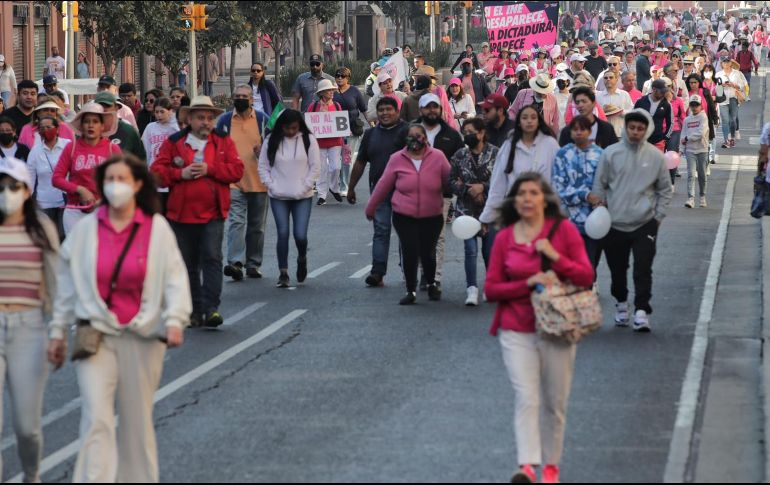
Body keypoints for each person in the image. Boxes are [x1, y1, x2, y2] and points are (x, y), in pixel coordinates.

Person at [47, 154, 191, 483]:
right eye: (109, 180)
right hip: (96, 335)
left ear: (138, 184)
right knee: (96, 418)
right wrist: (57, 331)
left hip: (143, 338)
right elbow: (66, 285)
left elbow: (174, 276)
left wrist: (175, 318)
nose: (115, 187)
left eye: (122, 180)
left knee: (135, 422)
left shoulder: (156, 229)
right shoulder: (86, 230)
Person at [485, 172, 593, 485]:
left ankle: (550, 467)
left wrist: (554, 257)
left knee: (554, 403)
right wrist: (527, 284)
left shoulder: (564, 231)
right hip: (516, 328)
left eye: (534, 193)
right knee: (527, 397)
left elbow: (585, 277)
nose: (528, 199)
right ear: (515, 201)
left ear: (545, 199)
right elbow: (491, 289)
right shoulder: (505, 237)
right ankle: (528, 466)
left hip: (557, 327)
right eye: (522, 194)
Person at [151, 96, 244, 328]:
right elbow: (156, 171)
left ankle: (211, 307)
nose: (205, 122)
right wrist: (178, 175)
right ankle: (193, 309)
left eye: (209, 118)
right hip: (181, 214)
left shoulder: (224, 141)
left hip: (213, 212)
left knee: (212, 258)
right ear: (189, 119)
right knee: (187, 264)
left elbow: (236, 170)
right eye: (200, 117)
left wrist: (210, 169)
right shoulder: (174, 142)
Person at [0, 156, 59, 484]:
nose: (6, 192)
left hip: (29, 329)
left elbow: (56, 284)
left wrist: (58, 332)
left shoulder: (41, 228)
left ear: (26, 190)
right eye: (1, 187)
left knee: (26, 427)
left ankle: (31, 474)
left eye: (13, 186)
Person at [591, 108, 672, 332]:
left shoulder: (655, 156)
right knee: (618, 270)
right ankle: (621, 304)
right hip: (614, 223)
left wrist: (658, 216)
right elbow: (600, 184)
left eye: (640, 128)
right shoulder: (611, 153)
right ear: (626, 128)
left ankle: (642, 310)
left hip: (645, 222)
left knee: (643, 268)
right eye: (632, 128)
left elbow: (664, 189)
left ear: (647, 130)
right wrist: (599, 204)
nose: (636, 132)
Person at [364, 123, 451, 305]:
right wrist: (371, 207)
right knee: (410, 251)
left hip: (432, 214)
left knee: (428, 252)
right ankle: (410, 290)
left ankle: (431, 283)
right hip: (404, 215)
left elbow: (448, 180)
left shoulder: (438, 157)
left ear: (425, 138)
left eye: (419, 135)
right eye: (411, 136)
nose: (416, 140)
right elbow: (383, 184)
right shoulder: (397, 159)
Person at [347, 97, 408, 287]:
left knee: (406, 232)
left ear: (397, 112)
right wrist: (351, 187)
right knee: (381, 230)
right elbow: (360, 162)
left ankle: (409, 270)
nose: (384, 113)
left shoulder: (408, 132)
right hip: (379, 190)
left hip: (405, 190)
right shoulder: (370, 134)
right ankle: (377, 272)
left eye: (389, 109)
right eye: (381, 110)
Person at [257, 109, 320, 288]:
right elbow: (263, 166)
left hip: (303, 195)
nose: (290, 132)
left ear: (299, 126)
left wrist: (305, 187)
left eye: (294, 128)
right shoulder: (271, 141)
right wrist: (271, 185)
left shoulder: (309, 140)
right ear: (280, 127)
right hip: (278, 195)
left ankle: (302, 257)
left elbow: (315, 168)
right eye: (287, 128)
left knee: (300, 235)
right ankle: (283, 272)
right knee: (282, 233)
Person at [216, 85, 270, 281]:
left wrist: (263, 152)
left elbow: (274, 149)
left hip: (259, 182)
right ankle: (235, 262)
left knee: (257, 226)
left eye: (244, 96)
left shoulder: (263, 120)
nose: (240, 99)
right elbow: (216, 146)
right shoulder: (224, 121)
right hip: (233, 182)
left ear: (251, 100)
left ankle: (253, 264)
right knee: (236, 222)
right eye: (237, 96)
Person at [479, 106, 560, 230]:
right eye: (525, 117)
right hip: (516, 211)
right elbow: (498, 185)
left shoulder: (551, 144)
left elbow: (558, 180)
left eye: (533, 117)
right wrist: (487, 216)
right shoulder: (508, 146)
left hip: (545, 211)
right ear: (518, 122)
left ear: (539, 121)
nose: (529, 121)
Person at [415, 93, 464, 292]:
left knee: (438, 236)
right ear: (421, 110)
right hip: (415, 192)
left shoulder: (451, 135)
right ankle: (422, 273)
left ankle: (435, 277)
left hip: (441, 194)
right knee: (419, 236)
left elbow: (460, 162)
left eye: (435, 107)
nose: (432, 110)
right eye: (428, 107)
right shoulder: (411, 131)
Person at [450, 118, 498, 306]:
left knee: (489, 251)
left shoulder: (496, 153)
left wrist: (482, 188)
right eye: (465, 131)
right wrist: (468, 190)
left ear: (481, 133)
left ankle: (491, 286)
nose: (467, 135)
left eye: (471, 131)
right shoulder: (459, 155)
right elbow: (451, 180)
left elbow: (502, 179)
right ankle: (471, 288)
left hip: (490, 209)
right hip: (466, 210)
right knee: (470, 250)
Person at [53, 103, 120, 234]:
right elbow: (56, 179)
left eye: (95, 122)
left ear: (102, 126)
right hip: (75, 212)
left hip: (104, 209)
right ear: (81, 126)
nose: (90, 125)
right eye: (87, 122)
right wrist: (79, 190)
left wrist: (104, 199)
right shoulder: (71, 148)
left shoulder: (112, 149)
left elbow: (123, 182)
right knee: (76, 253)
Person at [552, 115, 604, 273]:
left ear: (590, 131)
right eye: (575, 130)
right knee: (571, 264)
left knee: (590, 263)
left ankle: (589, 286)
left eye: (583, 129)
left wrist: (601, 201)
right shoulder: (563, 154)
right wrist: (585, 195)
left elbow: (607, 184)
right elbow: (558, 186)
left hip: (595, 218)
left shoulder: (601, 154)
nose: (579, 133)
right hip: (569, 219)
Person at [27, 116, 68, 238]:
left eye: (49, 127)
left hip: (65, 202)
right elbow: (30, 178)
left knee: (63, 236)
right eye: (42, 128)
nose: (45, 130)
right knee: (46, 237)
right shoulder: (35, 151)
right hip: (44, 203)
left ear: (57, 129)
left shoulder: (68, 146)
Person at [308, 79, 345, 206]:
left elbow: (341, 122)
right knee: (321, 169)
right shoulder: (313, 107)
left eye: (332, 90)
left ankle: (334, 188)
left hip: (335, 141)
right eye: (329, 90)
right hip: (319, 143)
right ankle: (322, 194)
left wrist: (345, 131)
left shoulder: (337, 105)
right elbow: (309, 123)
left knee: (336, 167)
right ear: (322, 92)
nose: (332, 92)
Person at [333, 67, 367, 197]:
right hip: (334, 131)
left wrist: (373, 126)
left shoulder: (354, 91)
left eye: (343, 76)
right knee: (335, 160)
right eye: (337, 76)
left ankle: (344, 185)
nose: (340, 78)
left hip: (352, 131)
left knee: (346, 159)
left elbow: (364, 109)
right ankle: (335, 183)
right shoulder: (332, 92)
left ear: (348, 78)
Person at [95, 92, 146, 161]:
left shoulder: (128, 130)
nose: (104, 109)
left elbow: (141, 158)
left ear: (116, 108)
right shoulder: (87, 131)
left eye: (107, 105)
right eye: (99, 106)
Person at [680, 94, 710, 208]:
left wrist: (688, 138)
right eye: (692, 105)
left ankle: (702, 196)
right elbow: (683, 135)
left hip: (702, 149)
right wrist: (681, 149)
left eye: (696, 105)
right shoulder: (687, 119)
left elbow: (701, 133)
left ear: (700, 105)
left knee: (702, 175)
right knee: (691, 174)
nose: (694, 107)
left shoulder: (703, 117)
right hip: (690, 150)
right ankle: (690, 198)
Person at [634, 79, 674, 152]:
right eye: (662, 92)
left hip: (658, 141)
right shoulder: (640, 101)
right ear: (654, 89)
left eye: (665, 91)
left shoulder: (667, 104)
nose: (664, 94)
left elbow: (670, 123)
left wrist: (665, 138)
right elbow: (632, 119)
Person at [715, 56, 744, 149]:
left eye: (728, 61)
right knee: (725, 121)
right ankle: (726, 140)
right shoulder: (718, 74)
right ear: (721, 64)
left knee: (732, 120)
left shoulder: (737, 73)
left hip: (733, 98)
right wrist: (721, 86)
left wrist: (733, 85)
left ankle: (732, 137)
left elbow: (741, 86)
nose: (726, 63)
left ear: (731, 63)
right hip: (722, 100)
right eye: (724, 62)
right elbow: (715, 88)